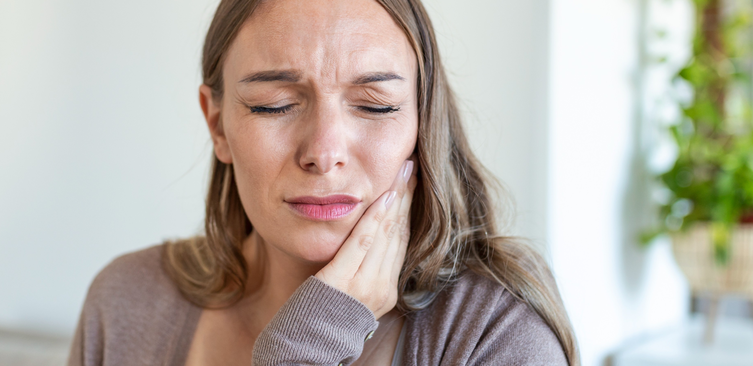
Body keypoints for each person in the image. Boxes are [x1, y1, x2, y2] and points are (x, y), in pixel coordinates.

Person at [68, 0, 579, 365]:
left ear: (423, 124)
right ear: (217, 124)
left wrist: (303, 346)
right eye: (276, 105)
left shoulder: (493, 333)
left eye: (375, 106)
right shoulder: (126, 301)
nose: (323, 152)